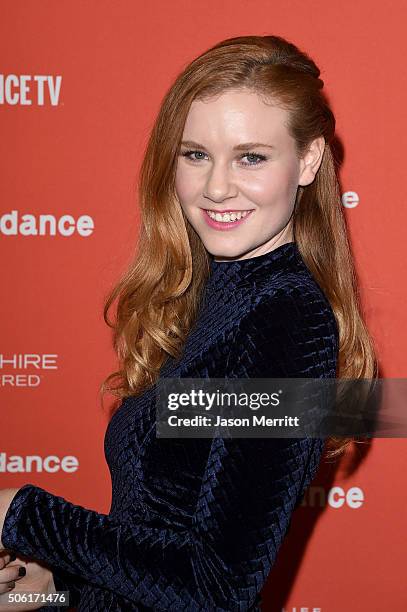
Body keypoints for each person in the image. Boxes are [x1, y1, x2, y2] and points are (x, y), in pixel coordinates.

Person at [0, 34, 377, 611]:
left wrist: (19, 515)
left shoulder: (287, 321)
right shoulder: (215, 294)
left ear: (308, 159)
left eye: (251, 156)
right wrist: (52, 591)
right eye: (195, 154)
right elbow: (167, 539)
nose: (216, 186)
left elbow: (218, 588)